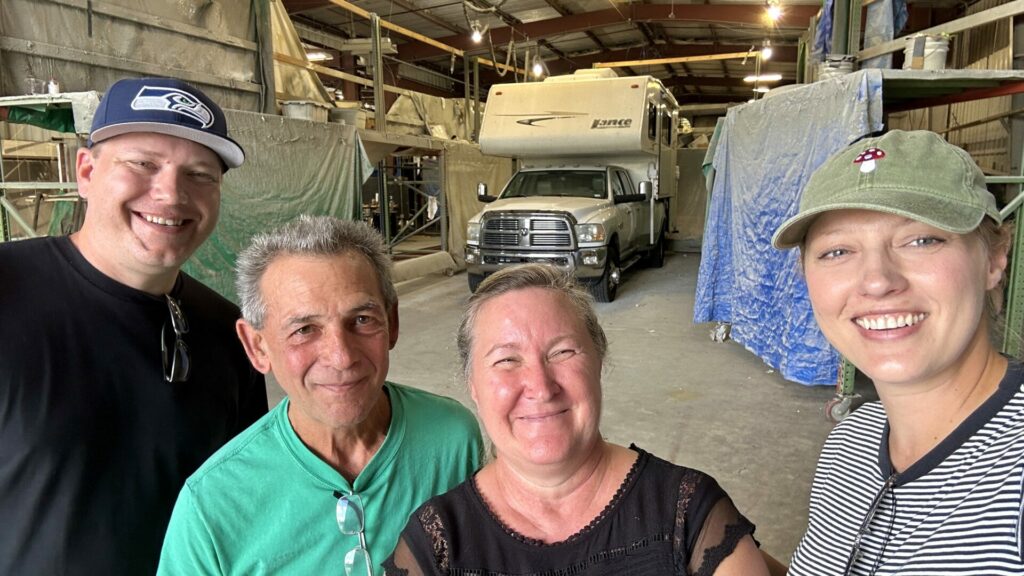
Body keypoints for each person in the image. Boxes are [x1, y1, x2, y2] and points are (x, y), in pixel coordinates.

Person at [0, 77, 268, 574]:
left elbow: (241, 495)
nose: (171, 193)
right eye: (143, 164)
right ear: (85, 171)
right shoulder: (8, 291)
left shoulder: (225, 330)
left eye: (200, 174)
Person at [385, 264, 770, 576]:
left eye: (563, 351)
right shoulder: (435, 543)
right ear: (473, 385)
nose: (540, 385)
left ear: (598, 362)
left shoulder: (689, 512)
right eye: (506, 360)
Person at [157, 215, 485, 576]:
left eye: (361, 319)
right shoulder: (212, 503)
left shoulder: (454, 438)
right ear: (257, 346)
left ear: (392, 323)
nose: (341, 356)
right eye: (304, 329)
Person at [772, 129, 1024, 575]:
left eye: (921, 240)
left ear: (994, 259)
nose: (876, 280)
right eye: (836, 251)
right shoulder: (850, 444)